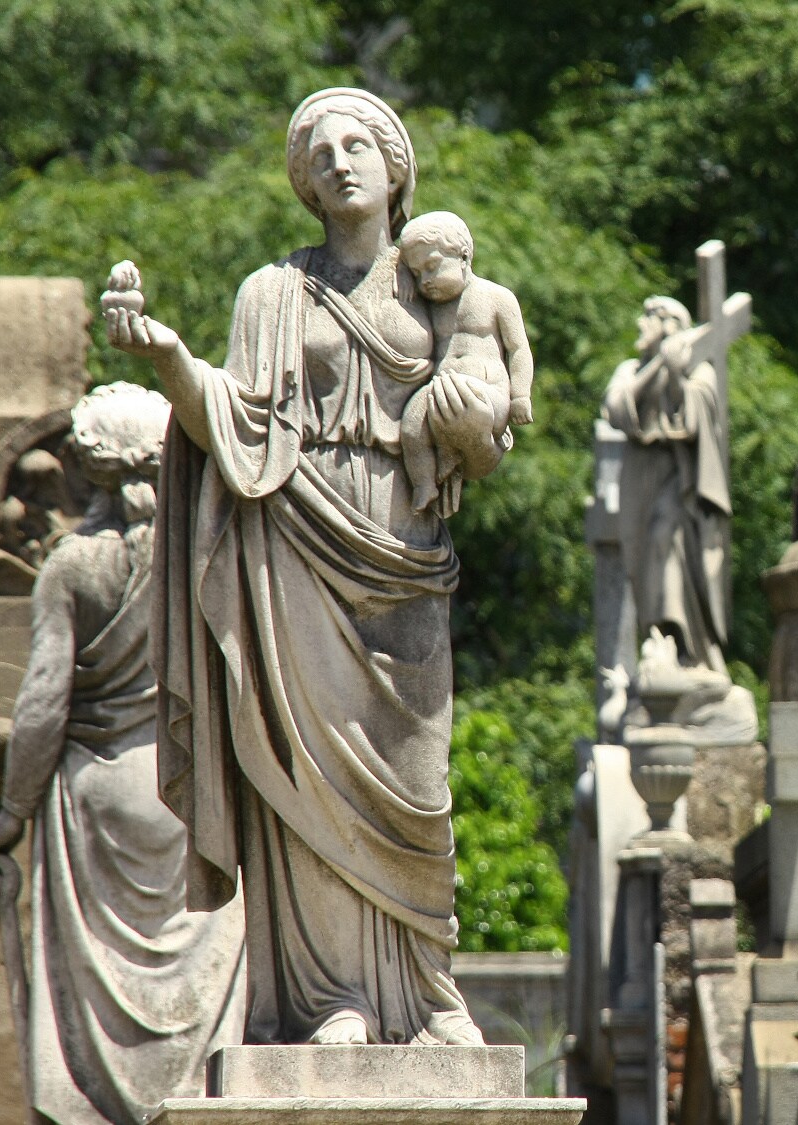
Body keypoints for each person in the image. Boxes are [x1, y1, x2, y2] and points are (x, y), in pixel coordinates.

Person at [102, 86, 496, 1046]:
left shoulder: (438, 285)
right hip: (296, 547)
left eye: (357, 144)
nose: (339, 163)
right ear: (304, 184)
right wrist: (166, 355)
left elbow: (486, 419)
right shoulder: (272, 293)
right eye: (319, 154)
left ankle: (428, 989)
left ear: (395, 164)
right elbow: (235, 425)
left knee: (416, 780)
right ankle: (336, 1001)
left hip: (404, 554)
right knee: (310, 778)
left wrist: (471, 414)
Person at [0, 383, 245, 1124]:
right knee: (200, 1027)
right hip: (196, 801)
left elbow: (42, 702)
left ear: (89, 469)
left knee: (93, 1041)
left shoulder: (73, 565)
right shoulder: (213, 555)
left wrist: (10, 813)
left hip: (97, 799)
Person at [601, 295, 733, 674]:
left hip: (678, 478)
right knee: (640, 559)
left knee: (667, 538)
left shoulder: (698, 369)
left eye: (648, 319)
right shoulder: (631, 368)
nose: (640, 325)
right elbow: (615, 407)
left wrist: (676, 374)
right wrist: (660, 364)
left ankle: (682, 643)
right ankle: (656, 640)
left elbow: (696, 418)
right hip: (638, 475)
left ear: (669, 324)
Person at [395, 210, 534, 513]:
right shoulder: (430, 307)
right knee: (410, 427)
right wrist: (404, 276)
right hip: (440, 391)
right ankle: (424, 484)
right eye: (418, 274)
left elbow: (519, 349)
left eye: (432, 267)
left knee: (469, 410)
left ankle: (453, 452)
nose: (426, 280)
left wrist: (520, 396)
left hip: (488, 394)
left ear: (463, 255)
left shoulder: (496, 297)